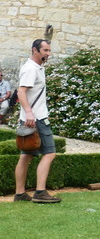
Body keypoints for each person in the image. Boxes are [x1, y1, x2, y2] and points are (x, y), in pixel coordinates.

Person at [14, 39, 61, 203]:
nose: (48, 54)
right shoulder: (31, 69)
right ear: (35, 50)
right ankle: (40, 192)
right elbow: (21, 92)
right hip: (36, 119)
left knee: (26, 156)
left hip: (30, 119)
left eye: (49, 50)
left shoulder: (36, 68)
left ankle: (20, 194)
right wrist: (29, 113)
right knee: (50, 153)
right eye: (45, 50)